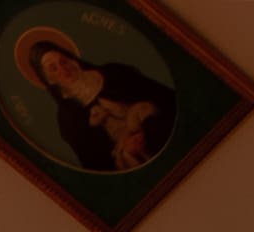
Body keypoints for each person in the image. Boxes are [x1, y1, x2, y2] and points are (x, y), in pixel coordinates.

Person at [14, 25, 174, 173]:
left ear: (72, 59)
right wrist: (127, 151)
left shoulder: (114, 72)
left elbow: (166, 99)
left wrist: (147, 128)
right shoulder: (68, 119)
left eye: (63, 61)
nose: (63, 69)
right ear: (49, 79)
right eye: (53, 68)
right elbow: (97, 164)